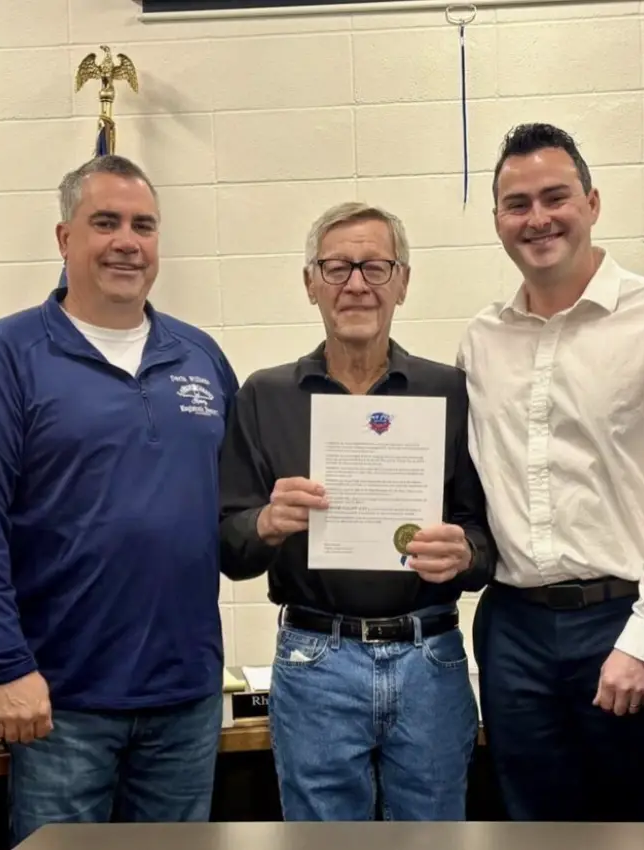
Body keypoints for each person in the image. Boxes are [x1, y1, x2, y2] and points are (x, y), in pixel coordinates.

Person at [0, 154, 238, 844]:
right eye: (105, 222)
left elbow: (233, 511)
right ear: (65, 237)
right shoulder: (3, 358)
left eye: (143, 226)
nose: (127, 241)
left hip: (186, 695)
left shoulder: (199, 357)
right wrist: (5, 663)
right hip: (58, 698)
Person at [459, 122, 644, 822]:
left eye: (556, 197)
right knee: (530, 825)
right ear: (497, 220)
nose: (538, 218)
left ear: (593, 203)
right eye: (517, 204)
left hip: (623, 617)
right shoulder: (480, 341)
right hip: (513, 629)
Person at [218, 202, 496, 821]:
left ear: (403, 281)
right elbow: (228, 547)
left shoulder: (450, 391)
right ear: (310, 282)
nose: (356, 284)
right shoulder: (264, 395)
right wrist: (264, 523)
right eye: (337, 267)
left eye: (375, 266)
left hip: (429, 657)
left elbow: (484, 538)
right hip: (315, 660)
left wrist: (466, 552)